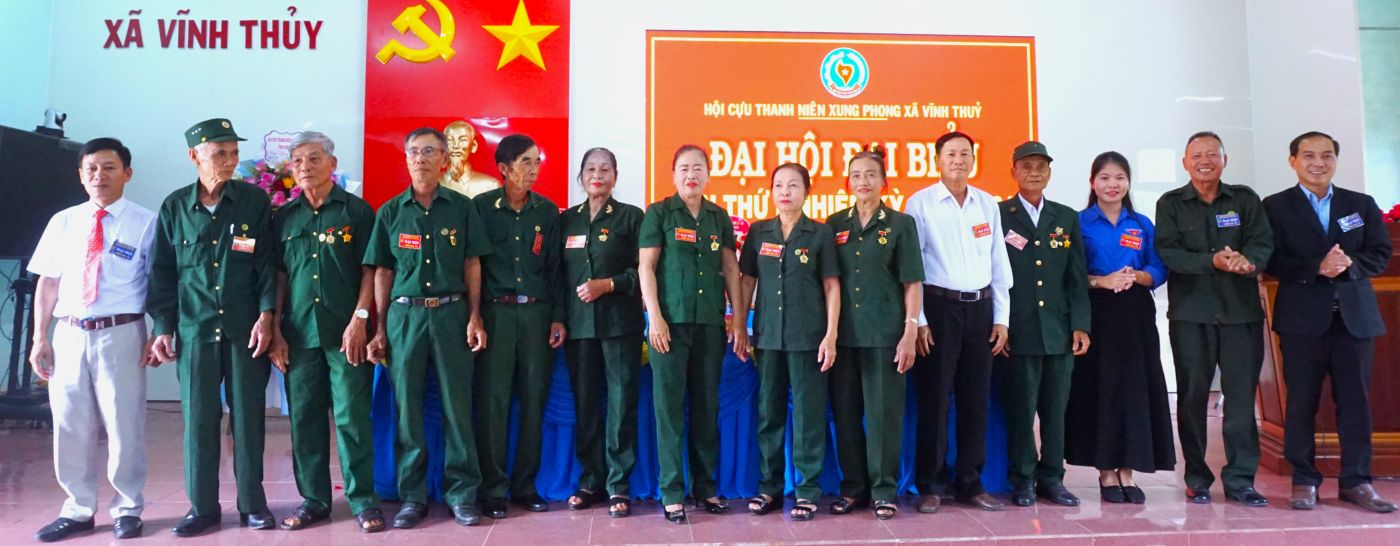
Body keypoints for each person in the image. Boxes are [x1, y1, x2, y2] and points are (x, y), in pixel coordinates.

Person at [147, 118, 277, 536]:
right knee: (199, 422)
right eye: (220, 153)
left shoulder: (254, 202)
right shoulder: (174, 207)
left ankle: (252, 504)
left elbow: (266, 265)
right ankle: (202, 508)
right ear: (195, 156)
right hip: (195, 332)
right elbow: (162, 272)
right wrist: (163, 327)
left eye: (234, 153)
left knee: (248, 420)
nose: (229, 161)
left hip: (245, 332)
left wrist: (267, 315)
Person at [28, 138, 156, 542]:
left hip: (122, 332)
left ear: (127, 173)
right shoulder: (63, 222)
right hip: (69, 333)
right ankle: (78, 508)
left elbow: (159, 284)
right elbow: (48, 282)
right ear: (81, 176)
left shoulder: (147, 223)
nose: (99, 176)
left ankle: (128, 508)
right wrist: (40, 337)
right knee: (70, 423)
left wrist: (158, 332)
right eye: (91, 169)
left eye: (109, 168)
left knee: (124, 423)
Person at [364, 127, 492, 528]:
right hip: (405, 319)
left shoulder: (462, 208)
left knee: (458, 407)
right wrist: (380, 328)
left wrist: (475, 316)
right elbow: (383, 271)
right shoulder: (390, 211)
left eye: (429, 152)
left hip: (452, 314)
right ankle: (412, 496)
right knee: (407, 410)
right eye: (414, 152)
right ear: (406, 159)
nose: (420, 158)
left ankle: (462, 494)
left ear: (443, 161)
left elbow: (472, 264)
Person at [1264, 131, 1395, 513]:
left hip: (1355, 320)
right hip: (1302, 320)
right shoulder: (1275, 206)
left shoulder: (1361, 204)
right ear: (1293, 161)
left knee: (1356, 403)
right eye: (1308, 156)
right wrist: (1315, 268)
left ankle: (1357, 481)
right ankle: (1304, 480)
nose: (1318, 163)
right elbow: (1269, 259)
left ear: (1336, 160)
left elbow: (1380, 253)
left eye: (1326, 155)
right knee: (1301, 403)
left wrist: (1350, 264)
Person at [265, 132, 382, 532]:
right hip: (298, 335)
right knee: (305, 421)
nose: (305, 167)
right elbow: (280, 275)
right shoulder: (284, 217)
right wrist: (276, 329)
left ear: (332, 164)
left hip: (346, 334)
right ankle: (314, 500)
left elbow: (370, 269)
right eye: (297, 161)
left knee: (352, 420)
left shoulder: (357, 211)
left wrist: (361, 319)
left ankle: (363, 500)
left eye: (314, 159)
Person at [1155, 131, 1273, 506]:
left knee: (1240, 400)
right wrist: (1213, 261)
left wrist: (1247, 261)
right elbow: (1169, 253)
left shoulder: (1244, 199)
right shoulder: (1171, 204)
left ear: (1225, 160)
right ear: (1185, 162)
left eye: (1212, 154)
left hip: (1241, 316)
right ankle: (1197, 477)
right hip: (1192, 316)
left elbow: (1262, 242)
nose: (1204, 161)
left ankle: (1240, 480)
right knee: (1191, 399)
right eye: (1197, 155)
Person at [639, 144, 750, 524]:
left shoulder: (719, 217)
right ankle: (672, 493)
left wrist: (738, 319)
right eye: (684, 168)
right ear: (673, 175)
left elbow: (731, 270)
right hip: (669, 327)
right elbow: (646, 268)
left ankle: (706, 488)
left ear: (708, 174)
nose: (692, 175)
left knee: (706, 408)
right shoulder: (659, 213)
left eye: (698, 168)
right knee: (669, 411)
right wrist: (655, 317)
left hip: (709, 325)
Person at [904, 131, 1011, 513]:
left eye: (965, 153)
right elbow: (913, 266)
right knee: (935, 400)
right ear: (937, 160)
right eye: (951, 154)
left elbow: (998, 262)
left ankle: (970, 483)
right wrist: (919, 320)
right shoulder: (920, 203)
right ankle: (931, 484)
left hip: (980, 310)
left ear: (973, 160)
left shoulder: (987, 203)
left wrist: (1002, 318)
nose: (958, 160)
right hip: (938, 309)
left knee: (975, 400)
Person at [1064, 152, 1175, 504]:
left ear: (1128, 182)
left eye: (1119, 178)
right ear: (1092, 183)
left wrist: (1138, 276)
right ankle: (1106, 472)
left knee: (1134, 389)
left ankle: (1128, 470)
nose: (1112, 185)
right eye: (1105, 178)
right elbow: (1070, 273)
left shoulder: (1141, 223)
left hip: (1135, 313)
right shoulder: (1078, 223)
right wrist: (1102, 281)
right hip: (1095, 313)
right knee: (1101, 389)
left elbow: (1159, 267)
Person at [826, 148, 924, 520]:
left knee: (884, 416)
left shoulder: (900, 224)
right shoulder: (835, 224)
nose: (863, 181)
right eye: (856, 175)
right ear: (847, 182)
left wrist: (910, 330)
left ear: (884, 181)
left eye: (870, 174)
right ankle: (853, 489)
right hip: (843, 338)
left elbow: (912, 282)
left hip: (885, 336)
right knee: (846, 414)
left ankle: (884, 490)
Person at [739, 163, 840, 522]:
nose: (785, 192)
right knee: (769, 414)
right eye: (779, 185)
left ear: (807, 192)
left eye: (793, 185)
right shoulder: (758, 231)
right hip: (768, 337)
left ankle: (807, 490)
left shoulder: (820, 233)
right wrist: (740, 326)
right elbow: (747, 282)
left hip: (808, 337)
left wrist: (831, 334)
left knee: (809, 416)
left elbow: (832, 286)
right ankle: (769, 487)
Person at [473, 134, 566, 518]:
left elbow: (556, 269)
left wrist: (558, 316)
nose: (534, 169)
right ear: (504, 168)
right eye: (526, 161)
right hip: (495, 315)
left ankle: (525, 486)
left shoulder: (547, 211)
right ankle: (493, 490)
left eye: (537, 161)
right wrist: (474, 316)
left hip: (536, 316)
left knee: (533, 401)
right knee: (492, 405)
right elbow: (472, 267)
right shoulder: (481, 208)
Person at [993, 141, 1090, 507]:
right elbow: (993, 276)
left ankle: (1053, 478)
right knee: (1021, 411)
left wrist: (1080, 324)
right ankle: (1023, 478)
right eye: (1027, 166)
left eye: (1041, 166)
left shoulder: (1065, 217)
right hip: (1018, 331)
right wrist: (999, 323)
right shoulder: (999, 214)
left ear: (1049, 173)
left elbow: (1075, 277)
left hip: (1059, 330)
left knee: (1055, 412)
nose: (1034, 172)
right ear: (1013, 171)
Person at [560, 147, 645, 518]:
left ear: (615, 176)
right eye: (591, 169)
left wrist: (608, 284)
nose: (598, 175)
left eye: (605, 169)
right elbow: (557, 276)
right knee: (586, 405)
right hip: (579, 328)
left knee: (621, 404)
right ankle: (591, 481)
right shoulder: (567, 220)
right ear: (580, 177)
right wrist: (557, 319)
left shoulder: (631, 217)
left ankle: (618, 485)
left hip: (620, 325)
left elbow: (645, 272)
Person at [440, 120, 501, 198]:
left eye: (462, 140)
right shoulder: (429, 183)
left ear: (473, 146)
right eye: (450, 140)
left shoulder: (490, 187)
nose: (456, 146)